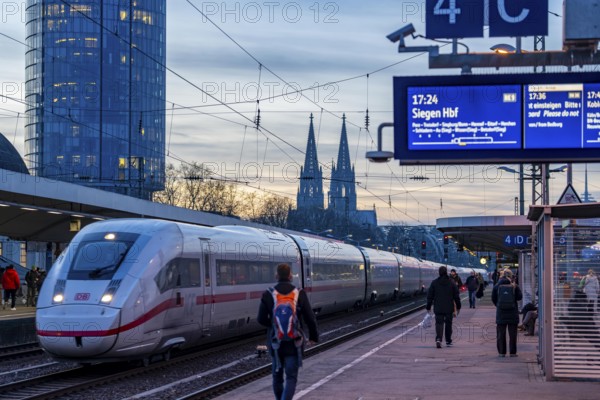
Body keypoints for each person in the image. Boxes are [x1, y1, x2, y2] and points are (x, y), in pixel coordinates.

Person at [257, 263, 319, 400]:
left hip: (275, 342)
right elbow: (310, 318)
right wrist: (314, 337)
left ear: (276, 275)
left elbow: (260, 319)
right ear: (290, 276)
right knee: (291, 377)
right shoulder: (299, 293)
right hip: (294, 343)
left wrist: (274, 325)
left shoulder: (268, 293)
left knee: (277, 377)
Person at [426, 266, 461, 348]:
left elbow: (430, 296)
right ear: (446, 272)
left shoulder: (434, 282)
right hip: (449, 307)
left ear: (439, 272)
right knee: (448, 324)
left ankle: (438, 339)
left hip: (438, 307)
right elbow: (456, 296)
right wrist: (458, 306)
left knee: (439, 323)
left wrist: (428, 306)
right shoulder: (452, 282)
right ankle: (448, 340)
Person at [492, 269, 523, 357]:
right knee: (513, 334)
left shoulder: (497, 286)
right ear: (511, 275)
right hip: (513, 313)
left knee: (501, 334)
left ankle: (502, 352)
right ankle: (512, 353)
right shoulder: (514, 285)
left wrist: (499, 305)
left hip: (501, 313)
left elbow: (493, 299)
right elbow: (519, 297)